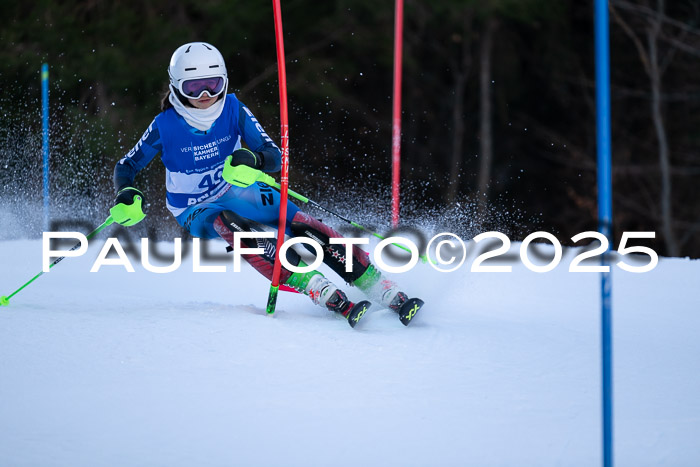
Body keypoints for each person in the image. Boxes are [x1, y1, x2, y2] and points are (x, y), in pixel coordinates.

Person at [109, 41, 423, 327]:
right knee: (232, 225)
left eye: (212, 85)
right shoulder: (164, 125)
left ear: (225, 81)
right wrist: (127, 193)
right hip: (195, 207)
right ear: (177, 87)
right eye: (194, 88)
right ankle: (314, 285)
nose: (205, 96)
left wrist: (253, 160)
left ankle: (379, 287)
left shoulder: (233, 108)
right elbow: (127, 166)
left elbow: (273, 156)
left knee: (304, 227)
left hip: (238, 188)